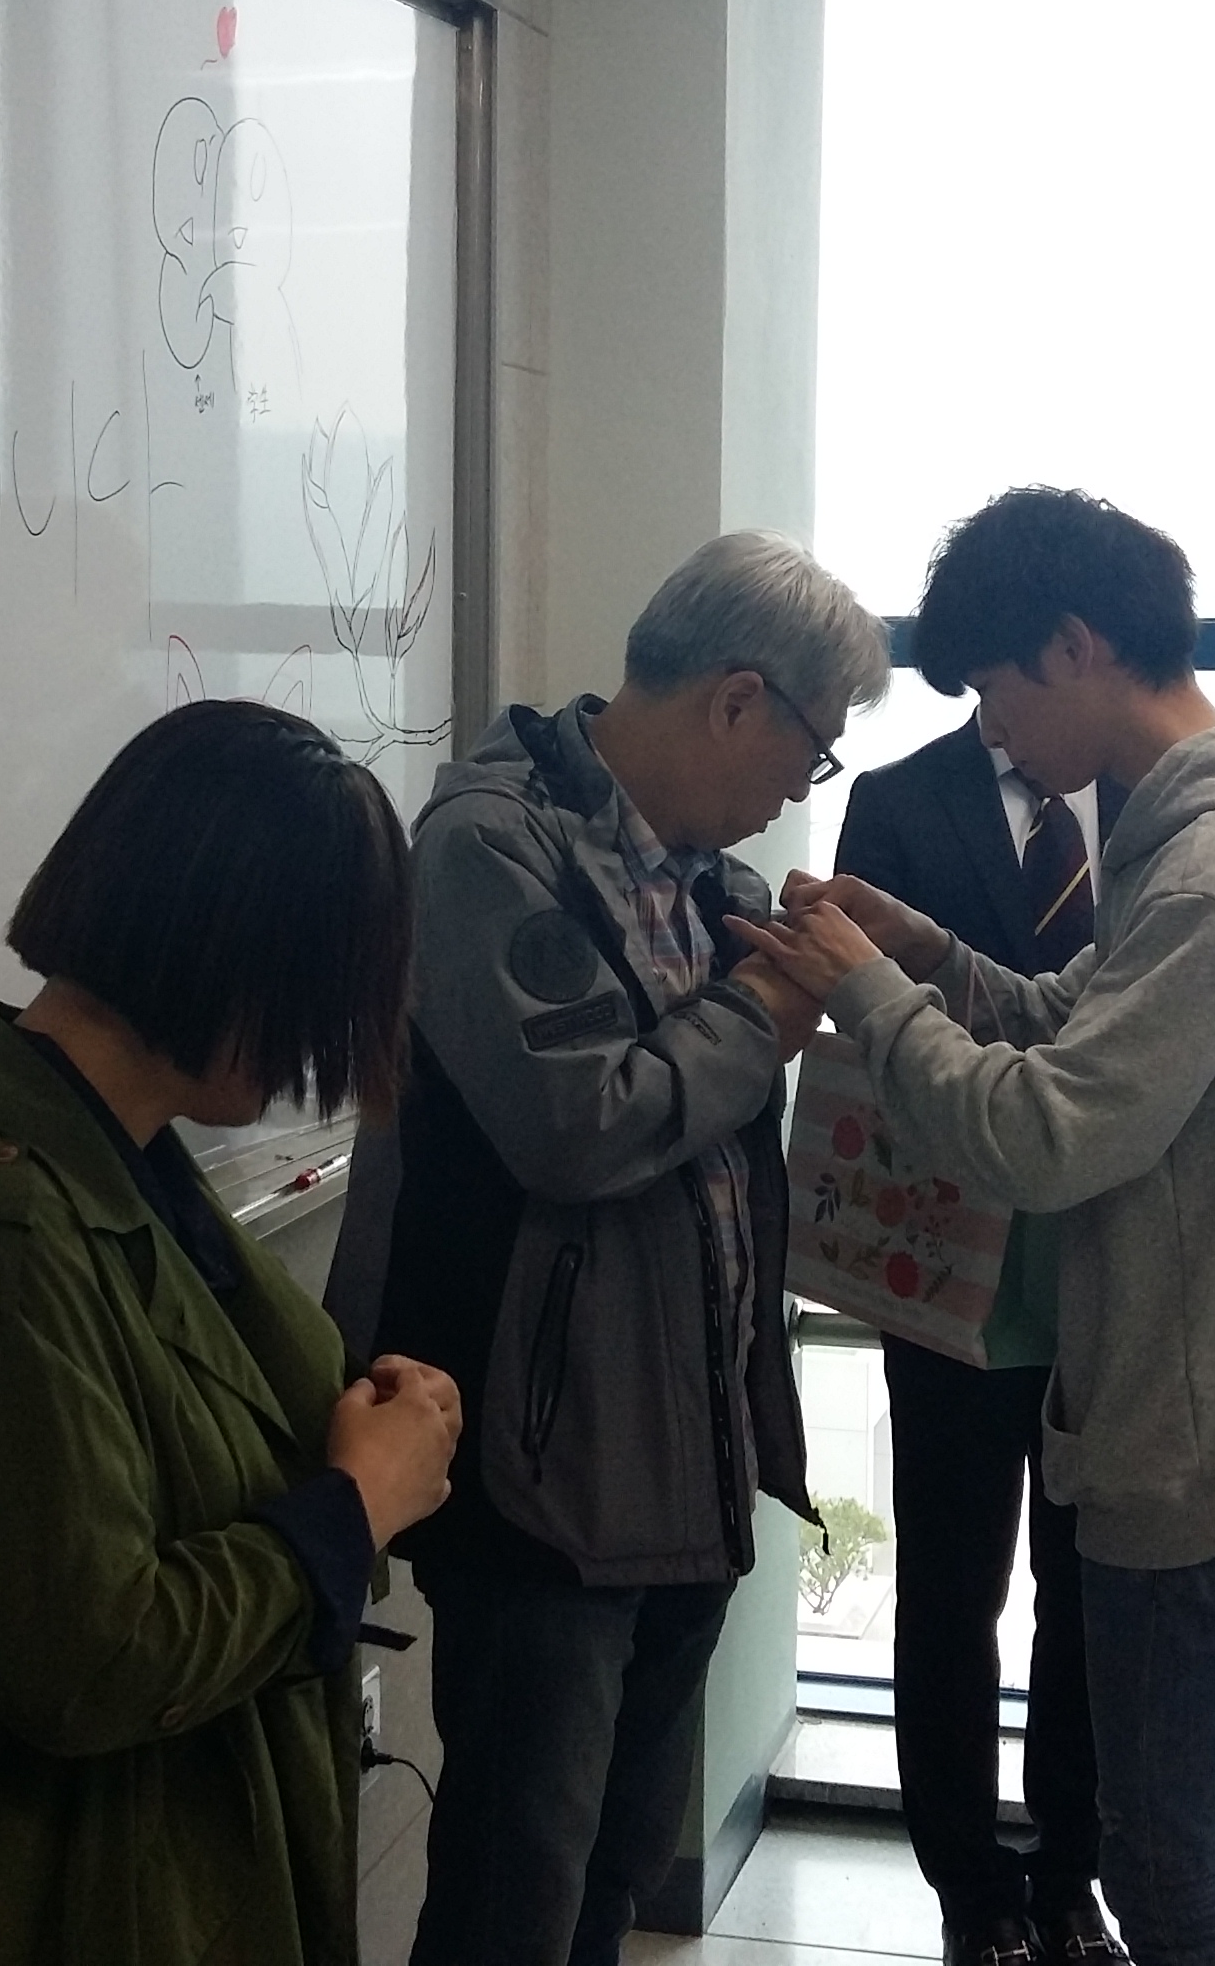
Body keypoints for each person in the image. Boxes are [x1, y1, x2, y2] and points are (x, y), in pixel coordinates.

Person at [737, 488, 1215, 1966]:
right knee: (1201, 1839)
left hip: (1196, 1417)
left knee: (1162, 1869)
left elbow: (1046, 1133)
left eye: (996, 689)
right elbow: (1064, 1019)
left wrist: (867, 992)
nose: (995, 731)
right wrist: (924, 951)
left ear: (1076, 646)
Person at [0, 700, 463, 1966]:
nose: (314, 1051)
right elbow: (93, 1659)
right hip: (75, 1900)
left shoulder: (124, 1159)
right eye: (320, 993)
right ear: (234, 955)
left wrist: (373, 1429)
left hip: (181, 1865)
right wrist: (352, 1509)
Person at [325, 531, 887, 1966]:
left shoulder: (709, 880)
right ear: (737, 701)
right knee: (517, 1888)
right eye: (811, 749)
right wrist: (762, 1016)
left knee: (616, 1871)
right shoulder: (487, 848)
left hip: (685, 1462)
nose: (799, 788)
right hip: (543, 1477)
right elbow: (578, 1124)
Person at [832, 715, 1129, 1966]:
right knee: (952, 1588)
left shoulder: (1149, 796)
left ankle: (1071, 1872)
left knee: (1090, 1588)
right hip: (950, 1255)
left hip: (1111, 1263)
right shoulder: (900, 801)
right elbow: (866, 1026)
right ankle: (968, 1883)